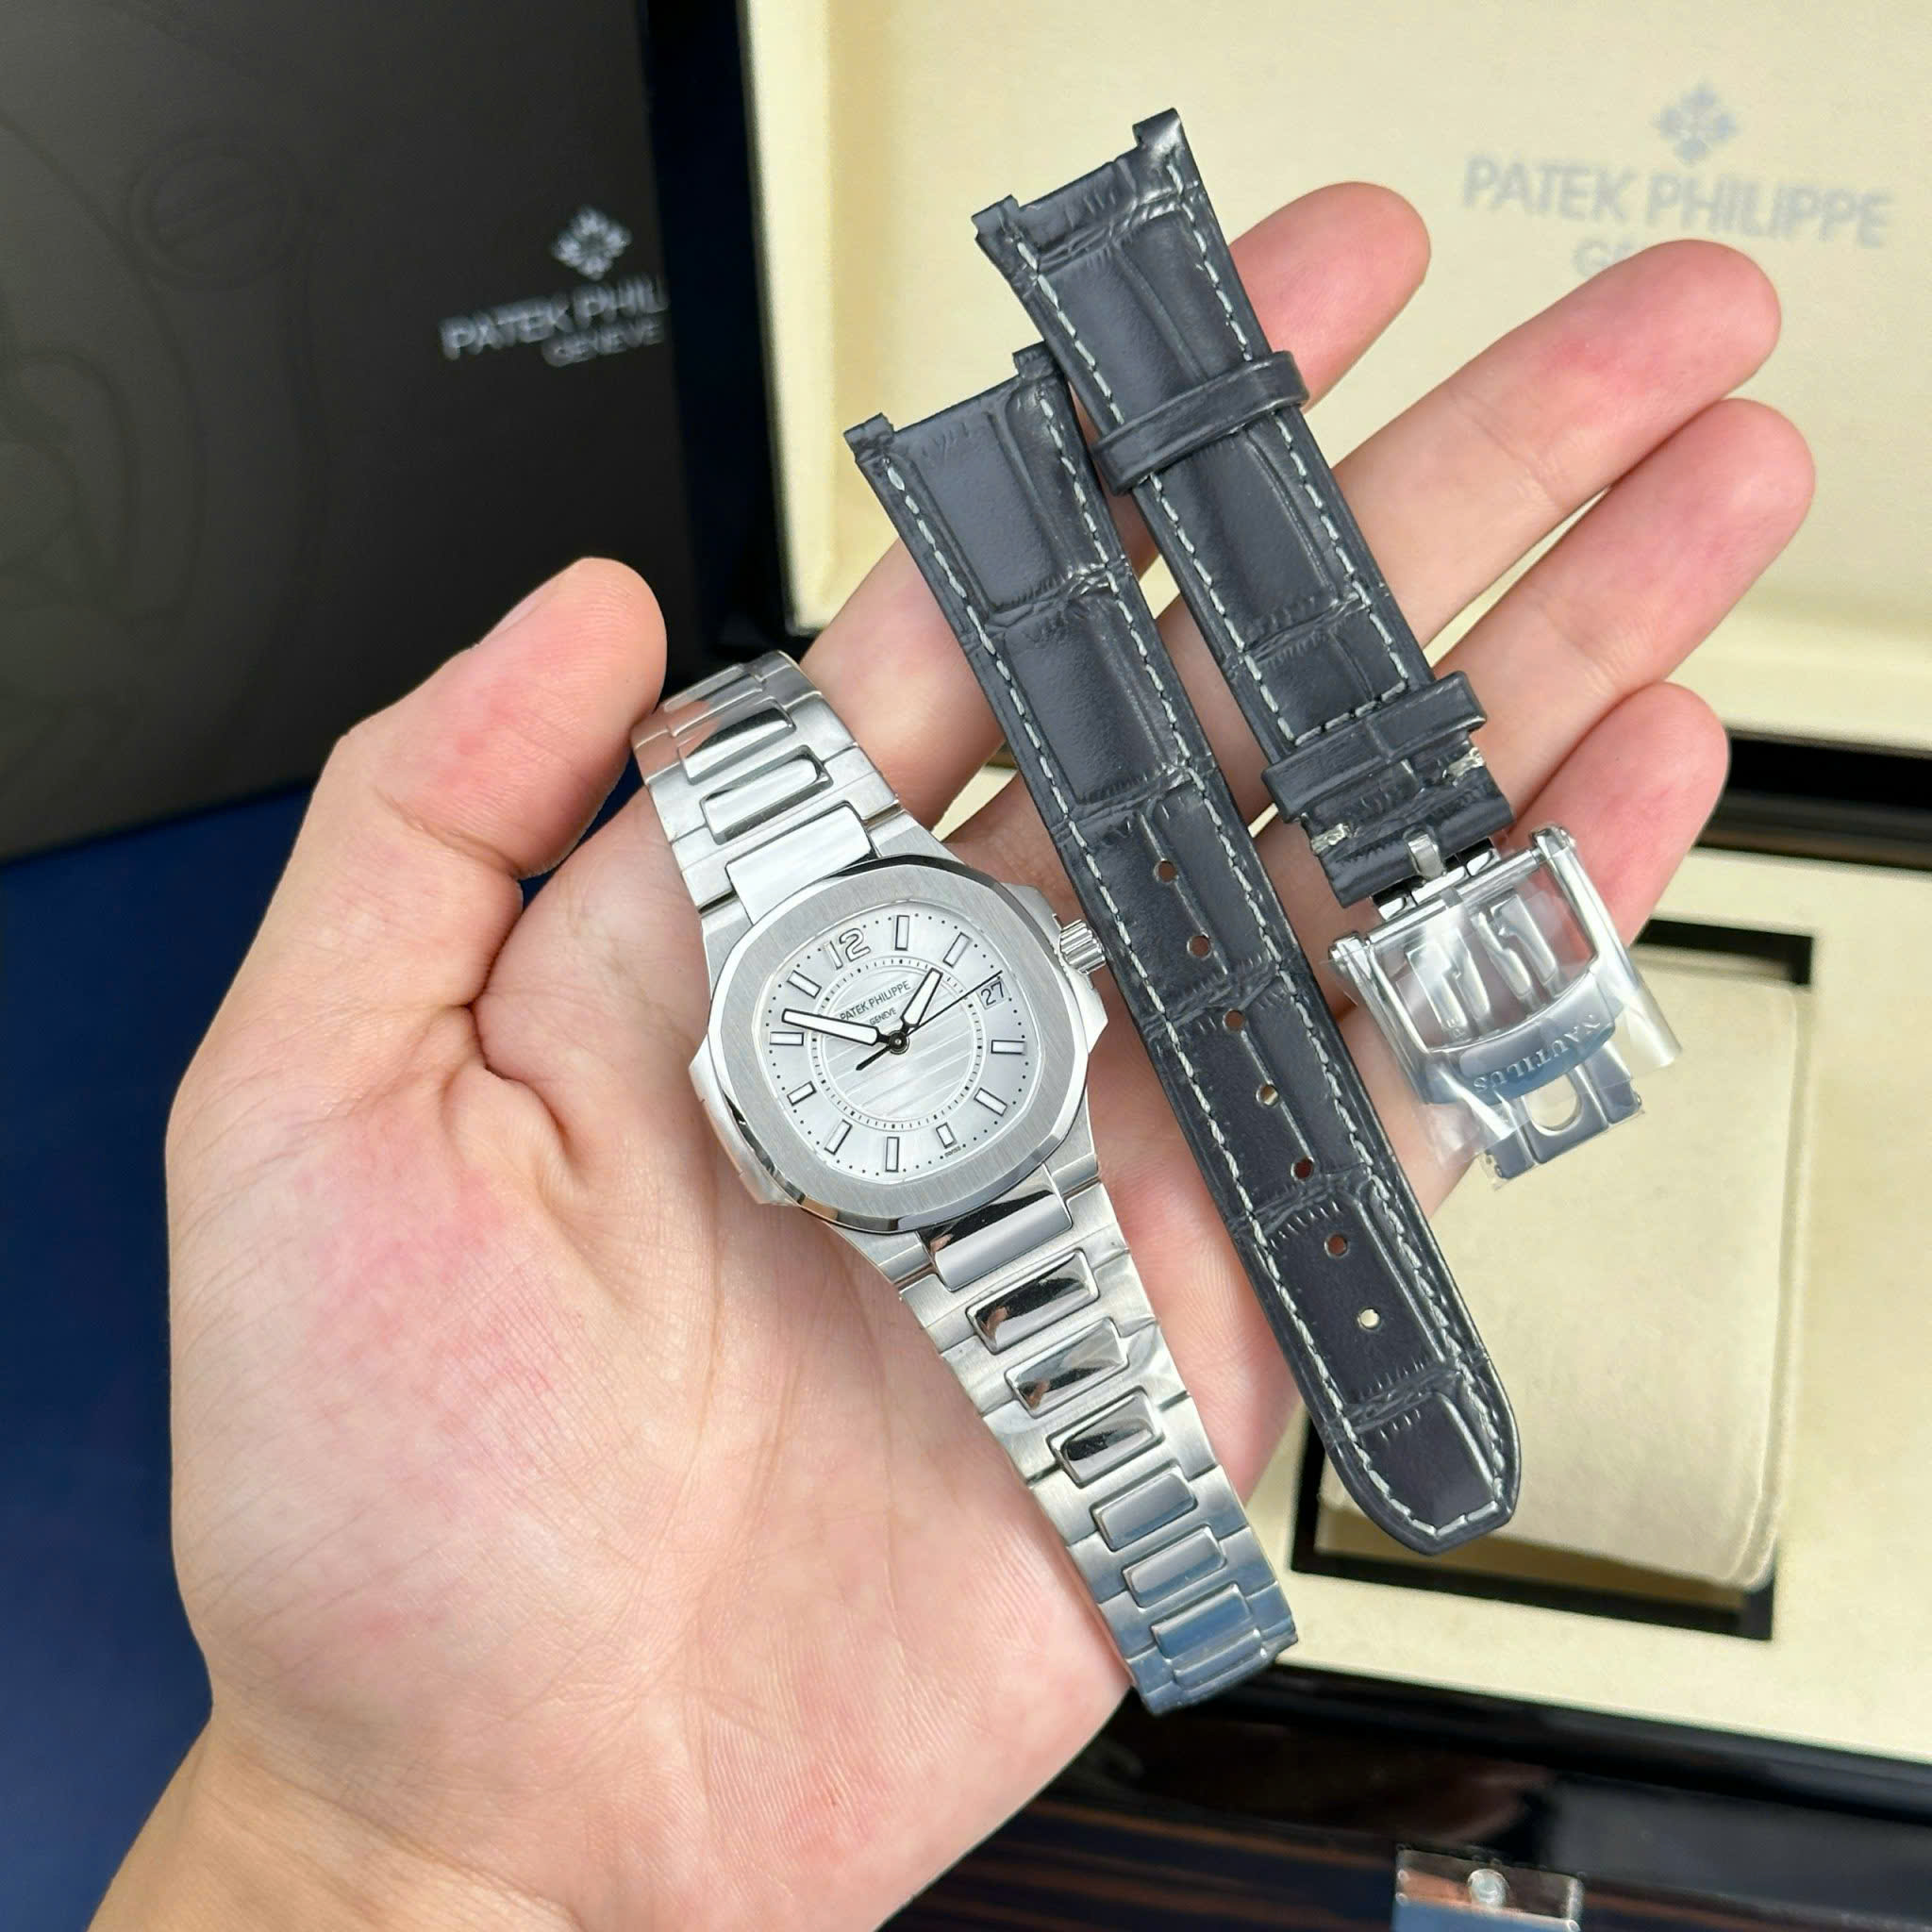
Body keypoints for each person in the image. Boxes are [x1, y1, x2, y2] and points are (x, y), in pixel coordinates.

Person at [92, 186, 1808, 1930]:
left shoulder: (1002, 979)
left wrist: (366, 1860)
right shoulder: (778, 1118)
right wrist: (381, 1846)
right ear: (753, 1130)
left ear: (1057, 967)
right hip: (937, 1187)